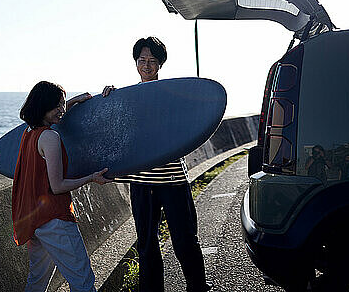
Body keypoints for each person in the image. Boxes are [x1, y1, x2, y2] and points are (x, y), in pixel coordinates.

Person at [103, 37, 211, 292]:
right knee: (147, 244)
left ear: (160, 64)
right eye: (142, 60)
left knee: (185, 241)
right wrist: (108, 99)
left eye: (152, 61)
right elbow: (112, 130)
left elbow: (189, 127)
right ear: (135, 63)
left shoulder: (170, 95)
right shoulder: (126, 98)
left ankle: (198, 287)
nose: (147, 65)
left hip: (173, 180)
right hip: (141, 183)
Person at [12, 81, 112, 292]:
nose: (61, 110)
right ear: (44, 105)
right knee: (82, 281)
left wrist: (73, 102)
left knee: (37, 282)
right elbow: (57, 186)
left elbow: (52, 117)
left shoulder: (29, 133)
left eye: (63, 104)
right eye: (57, 105)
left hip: (34, 221)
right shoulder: (50, 137)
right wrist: (92, 177)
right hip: (55, 219)